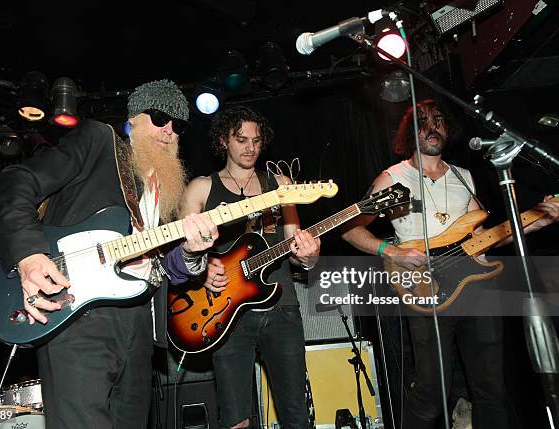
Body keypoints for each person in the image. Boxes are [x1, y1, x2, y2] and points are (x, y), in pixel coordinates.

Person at [0, 79, 219, 429]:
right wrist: (29, 255)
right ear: (135, 118)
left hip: (139, 322)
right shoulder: (99, 142)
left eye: (179, 125)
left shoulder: (167, 188)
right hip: (78, 313)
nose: (169, 130)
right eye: (160, 117)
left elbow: (164, 266)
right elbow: (17, 181)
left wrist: (190, 251)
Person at [341, 98, 559, 428]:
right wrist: (394, 251)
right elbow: (350, 230)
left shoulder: (464, 176)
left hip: (477, 286)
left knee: (490, 389)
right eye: (423, 121)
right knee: (431, 390)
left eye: (439, 120)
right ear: (409, 132)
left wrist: (538, 221)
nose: (433, 126)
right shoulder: (392, 177)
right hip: (425, 284)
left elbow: (485, 236)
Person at [180, 105, 320, 429]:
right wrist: (203, 270)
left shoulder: (280, 184)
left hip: (281, 306)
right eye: (241, 139)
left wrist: (310, 255)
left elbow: (297, 248)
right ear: (223, 141)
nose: (250, 147)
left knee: (296, 415)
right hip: (226, 312)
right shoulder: (201, 188)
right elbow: (179, 251)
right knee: (235, 419)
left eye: (256, 140)